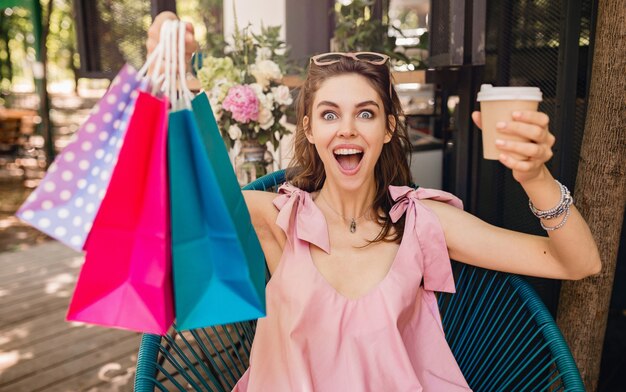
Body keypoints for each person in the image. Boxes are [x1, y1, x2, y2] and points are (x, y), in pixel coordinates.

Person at [148, 12, 601, 391]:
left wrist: (534, 176)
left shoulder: (423, 222)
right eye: (330, 114)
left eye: (365, 112)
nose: (347, 129)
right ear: (310, 130)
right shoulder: (274, 217)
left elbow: (577, 263)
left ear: (387, 129)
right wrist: (179, 77)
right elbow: (170, 207)